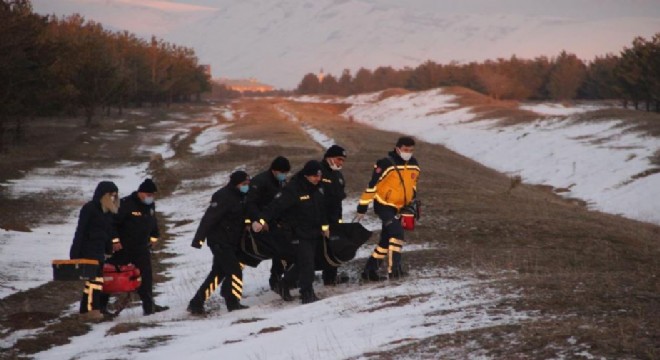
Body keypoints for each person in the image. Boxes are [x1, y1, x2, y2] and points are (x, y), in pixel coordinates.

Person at [252, 160, 329, 304]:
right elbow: (275, 207)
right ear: (306, 175)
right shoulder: (293, 189)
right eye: (314, 176)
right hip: (296, 233)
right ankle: (307, 294)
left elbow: (321, 210)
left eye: (319, 176)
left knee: (304, 262)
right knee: (307, 263)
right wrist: (261, 221)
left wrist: (325, 227)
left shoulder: (318, 188)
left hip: (313, 232)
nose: (317, 179)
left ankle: (283, 284)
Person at [355, 136, 420, 280]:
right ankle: (394, 271)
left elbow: (412, 184)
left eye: (411, 150)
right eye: (405, 149)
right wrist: (362, 207)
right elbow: (372, 186)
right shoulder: (385, 163)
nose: (408, 152)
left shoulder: (414, 164)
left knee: (385, 241)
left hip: (401, 207)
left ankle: (369, 271)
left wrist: (411, 201)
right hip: (384, 205)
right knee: (396, 234)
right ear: (397, 148)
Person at [187, 171, 252, 315]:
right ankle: (233, 302)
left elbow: (245, 214)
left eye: (248, 184)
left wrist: (248, 223)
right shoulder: (223, 196)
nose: (246, 187)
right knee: (235, 271)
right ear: (236, 184)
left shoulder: (242, 196)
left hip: (231, 241)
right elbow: (209, 218)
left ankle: (196, 302)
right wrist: (199, 239)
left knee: (218, 274)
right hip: (220, 241)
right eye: (244, 184)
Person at [109, 178, 169, 315]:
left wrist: (154, 237)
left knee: (146, 277)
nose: (151, 197)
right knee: (112, 274)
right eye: (149, 195)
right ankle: (101, 305)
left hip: (142, 248)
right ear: (140, 193)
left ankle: (149, 307)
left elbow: (153, 222)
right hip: (124, 248)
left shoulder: (150, 206)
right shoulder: (125, 204)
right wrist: (115, 241)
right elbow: (112, 224)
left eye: (153, 195)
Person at [70, 181, 120, 320]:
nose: (113, 198)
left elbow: (108, 232)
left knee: (93, 282)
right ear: (103, 194)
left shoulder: (108, 212)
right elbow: (80, 231)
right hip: (88, 251)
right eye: (111, 195)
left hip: (99, 252)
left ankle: (85, 310)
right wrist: (74, 253)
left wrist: (109, 248)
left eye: (115, 196)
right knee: (95, 281)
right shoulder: (89, 208)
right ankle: (93, 310)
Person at [245, 156, 291, 291]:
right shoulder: (260, 181)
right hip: (263, 224)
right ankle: (275, 280)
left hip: (277, 222)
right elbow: (250, 203)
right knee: (279, 250)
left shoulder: (281, 182)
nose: (284, 175)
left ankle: (284, 278)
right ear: (275, 170)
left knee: (284, 250)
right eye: (282, 172)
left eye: (286, 173)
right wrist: (260, 220)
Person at [319, 145, 349, 286]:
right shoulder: (318, 171)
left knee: (334, 248)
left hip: (335, 219)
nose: (341, 162)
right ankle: (293, 280)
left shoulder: (338, 175)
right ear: (329, 157)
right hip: (318, 219)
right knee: (313, 250)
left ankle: (330, 278)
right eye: (339, 159)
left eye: (343, 160)